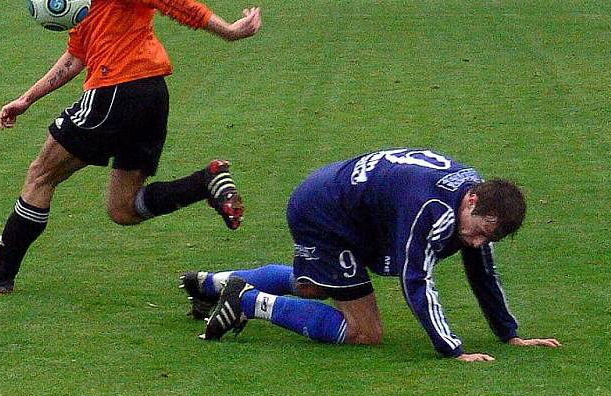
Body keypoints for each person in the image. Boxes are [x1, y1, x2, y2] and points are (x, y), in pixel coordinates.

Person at [0, 0, 262, 294]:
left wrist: (227, 30)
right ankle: (205, 182)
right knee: (123, 208)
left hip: (117, 89)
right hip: (150, 93)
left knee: (41, 174)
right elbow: (76, 55)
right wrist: (28, 97)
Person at [181, 148, 561, 361]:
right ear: (472, 201)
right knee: (365, 332)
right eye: (479, 232)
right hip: (326, 213)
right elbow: (416, 280)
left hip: (340, 201)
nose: (477, 242)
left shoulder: (474, 202)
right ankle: (247, 301)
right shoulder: (432, 209)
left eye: (487, 237)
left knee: (314, 289)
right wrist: (452, 349)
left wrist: (509, 334)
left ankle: (212, 285)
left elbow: (482, 270)